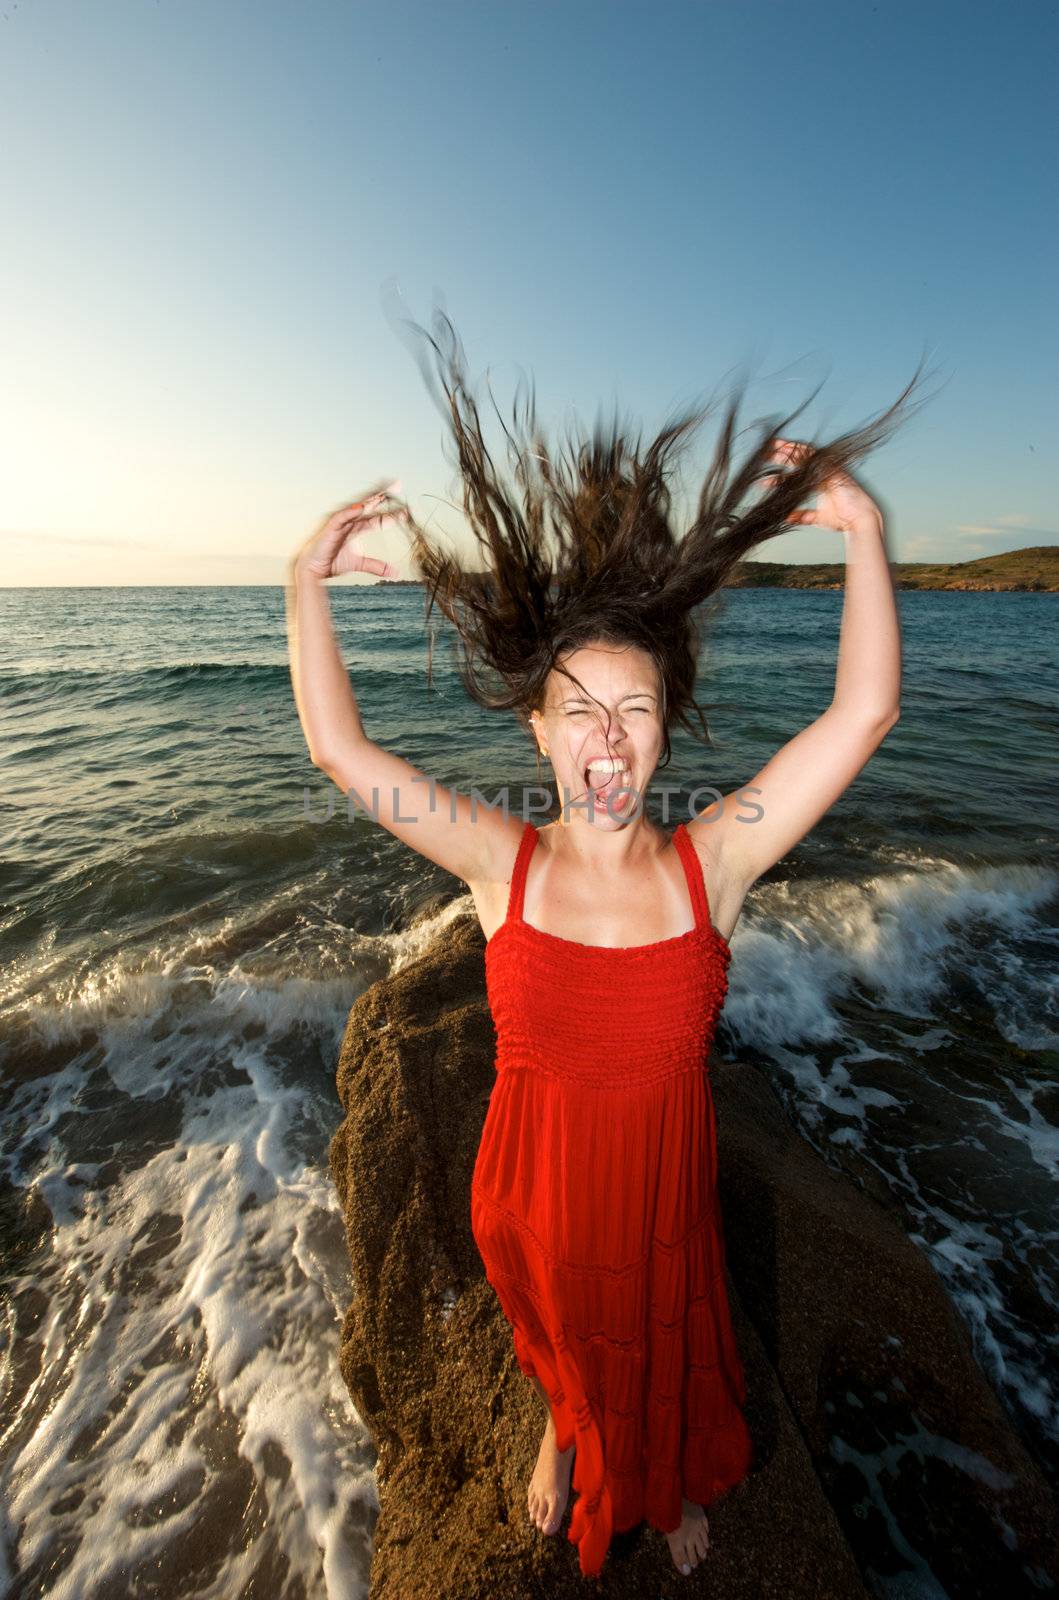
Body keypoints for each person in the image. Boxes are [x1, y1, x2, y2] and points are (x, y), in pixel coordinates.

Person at [286, 309, 930, 1579]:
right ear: (538, 734)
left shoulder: (717, 863)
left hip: (660, 1193)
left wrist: (863, 532)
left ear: (663, 729)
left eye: (634, 708)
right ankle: (565, 1431)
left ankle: (652, 1463)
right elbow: (341, 754)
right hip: (531, 1185)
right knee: (568, 1332)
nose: (608, 735)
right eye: (578, 710)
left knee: (662, 1330)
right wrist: (303, 580)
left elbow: (865, 712)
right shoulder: (498, 860)